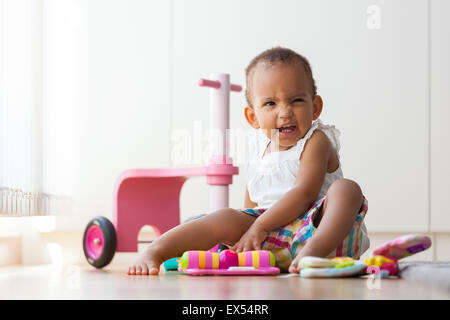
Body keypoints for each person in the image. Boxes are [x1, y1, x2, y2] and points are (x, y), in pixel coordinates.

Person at [127, 46, 369, 275]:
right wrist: (245, 230)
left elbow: (304, 193)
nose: (285, 112)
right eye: (271, 103)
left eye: (296, 100)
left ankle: (312, 255)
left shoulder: (316, 141)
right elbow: (250, 203)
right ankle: (155, 251)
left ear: (315, 107)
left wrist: (259, 226)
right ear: (253, 117)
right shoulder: (257, 149)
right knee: (225, 217)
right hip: (270, 240)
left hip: (319, 230)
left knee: (347, 190)